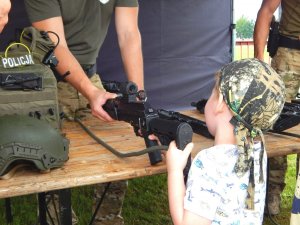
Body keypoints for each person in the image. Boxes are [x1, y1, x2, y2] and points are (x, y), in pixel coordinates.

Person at [24, 0, 144, 224]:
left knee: (118, 147)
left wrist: (137, 98)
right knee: (51, 161)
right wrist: (91, 92)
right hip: (48, 83)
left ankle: (107, 219)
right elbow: (55, 46)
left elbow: (129, 34)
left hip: (91, 79)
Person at [163, 58, 285, 224]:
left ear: (219, 102)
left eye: (211, 94)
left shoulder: (209, 162)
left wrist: (175, 170)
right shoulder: (257, 152)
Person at [253, 0, 300, 216]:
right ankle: (271, 192)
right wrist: (258, 62)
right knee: (275, 123)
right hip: (288, 54)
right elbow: (267, 11)